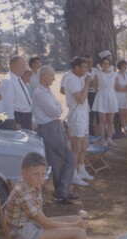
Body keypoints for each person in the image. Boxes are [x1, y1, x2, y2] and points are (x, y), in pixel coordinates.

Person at [32, 65, 79, 203]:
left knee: (69, 158)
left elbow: (59, 107)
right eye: (51, 75)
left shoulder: (47, 91)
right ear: (44, 76)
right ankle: (61, 191)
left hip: (55, 126)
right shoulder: (39, 92)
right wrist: (58, 109)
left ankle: (62, 189)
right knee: (58, 161)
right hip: (48, 128)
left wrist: (58, 109)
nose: (54, 78)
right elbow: (55, 111)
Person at [63, 56, 94, 185]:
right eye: (84, 67)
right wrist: (87, 83)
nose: (86, 70)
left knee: (84, 144)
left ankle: (81, 169)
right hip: (76, 115)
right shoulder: (70, 79)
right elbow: (80, 99)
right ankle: (73, 174)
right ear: (76, 68)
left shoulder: (80, 77)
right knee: (76, 146)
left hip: (84, 113)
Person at [92, 57, 119, 147]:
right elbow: (96, 87)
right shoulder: (98, 74)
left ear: (110, 65)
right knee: (102, 120)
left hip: (111, 97)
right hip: (101, 97)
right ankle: (103, 139)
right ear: (101, 64)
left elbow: (114, 87)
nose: (106, 65)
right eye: (104, 63)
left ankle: (110, 138)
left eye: (107, 63)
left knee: (110, 120)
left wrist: (110, 94)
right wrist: (102, 93)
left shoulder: (114, 74)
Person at [1, 55, 33, 130]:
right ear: (14, 65)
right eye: (23, 65)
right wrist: (12, 123)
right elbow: (7, 104)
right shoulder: (8, 81)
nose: (25, 67)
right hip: (18, 118)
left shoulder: (18, 79)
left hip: (25, 117)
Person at [84, 55, 98, 136]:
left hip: (94, 93)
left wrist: (90, 83)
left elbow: (97, 83)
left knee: (93, 112)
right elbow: (85, 84)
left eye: (91, 61)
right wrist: (90, 83)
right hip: (85, 94)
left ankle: (92, 130)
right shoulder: (83, 72)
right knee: (86, 112)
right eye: (87, 62)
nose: (89, 63)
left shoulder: (95, 71)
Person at [115, 60, 127, 132]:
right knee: (121, 114)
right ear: (120, 67)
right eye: (124, 66)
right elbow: (117, 88)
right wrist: (125, 88)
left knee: (126, 114)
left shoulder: (126, 76)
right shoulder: (116, 75)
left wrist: (124, 88)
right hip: (118, 97)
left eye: (126, 66)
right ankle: (125, 130)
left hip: (124, 97)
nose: (125, 67)